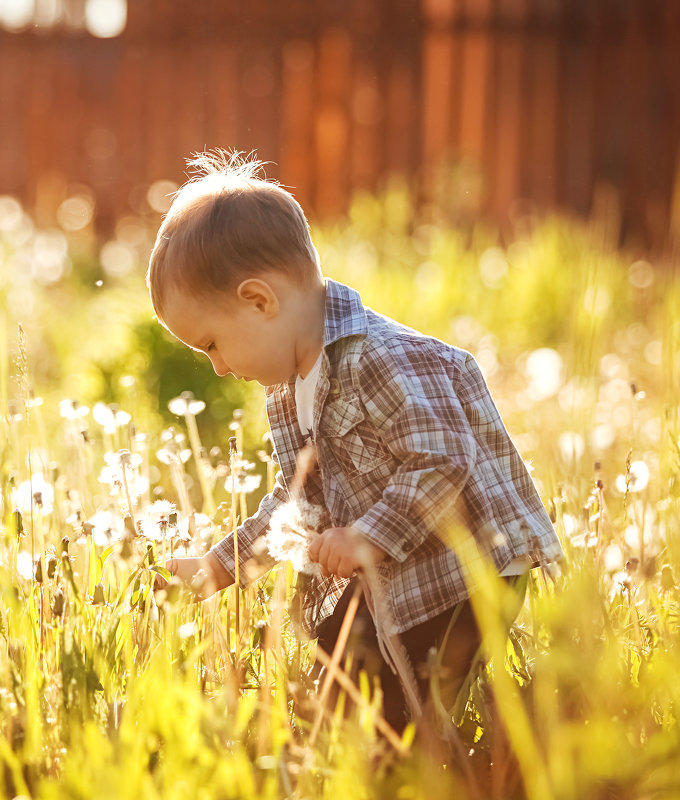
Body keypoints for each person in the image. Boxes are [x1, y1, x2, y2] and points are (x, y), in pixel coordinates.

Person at [147, 150, 564, 740]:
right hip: (403, 569)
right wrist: (221, 565)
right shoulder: (290, 391)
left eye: (212, 344)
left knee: (384, 705)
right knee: (335, 667)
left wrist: (369, 535)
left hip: (471, 567)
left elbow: (442, 459)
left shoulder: (382, 357)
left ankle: (435, 762)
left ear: (259, 301)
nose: (215, 369)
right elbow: (300, 505)